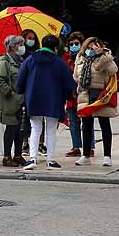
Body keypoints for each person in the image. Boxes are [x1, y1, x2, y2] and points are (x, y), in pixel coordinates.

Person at [17, 34, 77, 170]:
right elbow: (69, 83)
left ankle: (32, 158)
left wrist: (22, 91)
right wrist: (69, 95)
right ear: (56, 48)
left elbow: (20, 80)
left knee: (35, 128)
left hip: (33, 98)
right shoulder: (59, 62)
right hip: (54, 100)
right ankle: (50, 160)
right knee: (51, 130)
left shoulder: (30, 59)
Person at [73, 36, 117, 167]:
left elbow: (113, 71)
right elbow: (75, 75)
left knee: (105, 124)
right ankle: (85, 155)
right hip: (85, 94)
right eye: (89, 46)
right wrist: (80, 83)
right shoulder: (80, 58)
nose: (91, 48)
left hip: (101, 94)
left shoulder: (105, 57)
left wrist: (102, 56)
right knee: (86, 125)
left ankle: (107, 156)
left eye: (95, 46)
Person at [0, 34, 26, 166]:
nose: (22, 47)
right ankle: (7, 157)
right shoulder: (5, 62)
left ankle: (18, 154)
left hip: (21, 100)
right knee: (11, 128)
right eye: (19, 44)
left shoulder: (20, 60)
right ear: (12, 47)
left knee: (20, 129)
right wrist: (12, 94)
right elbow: (0, 81)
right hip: (10, 102)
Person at [60, 32, 86, 157]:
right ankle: (76, 146)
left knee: (87, 121)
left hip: (84, 93)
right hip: (70, 94)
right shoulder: (66, 57)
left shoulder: (86, 56)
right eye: (71, 44)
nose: (74, 46)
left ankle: (89, 147)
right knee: (73, 122)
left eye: (76, 44)